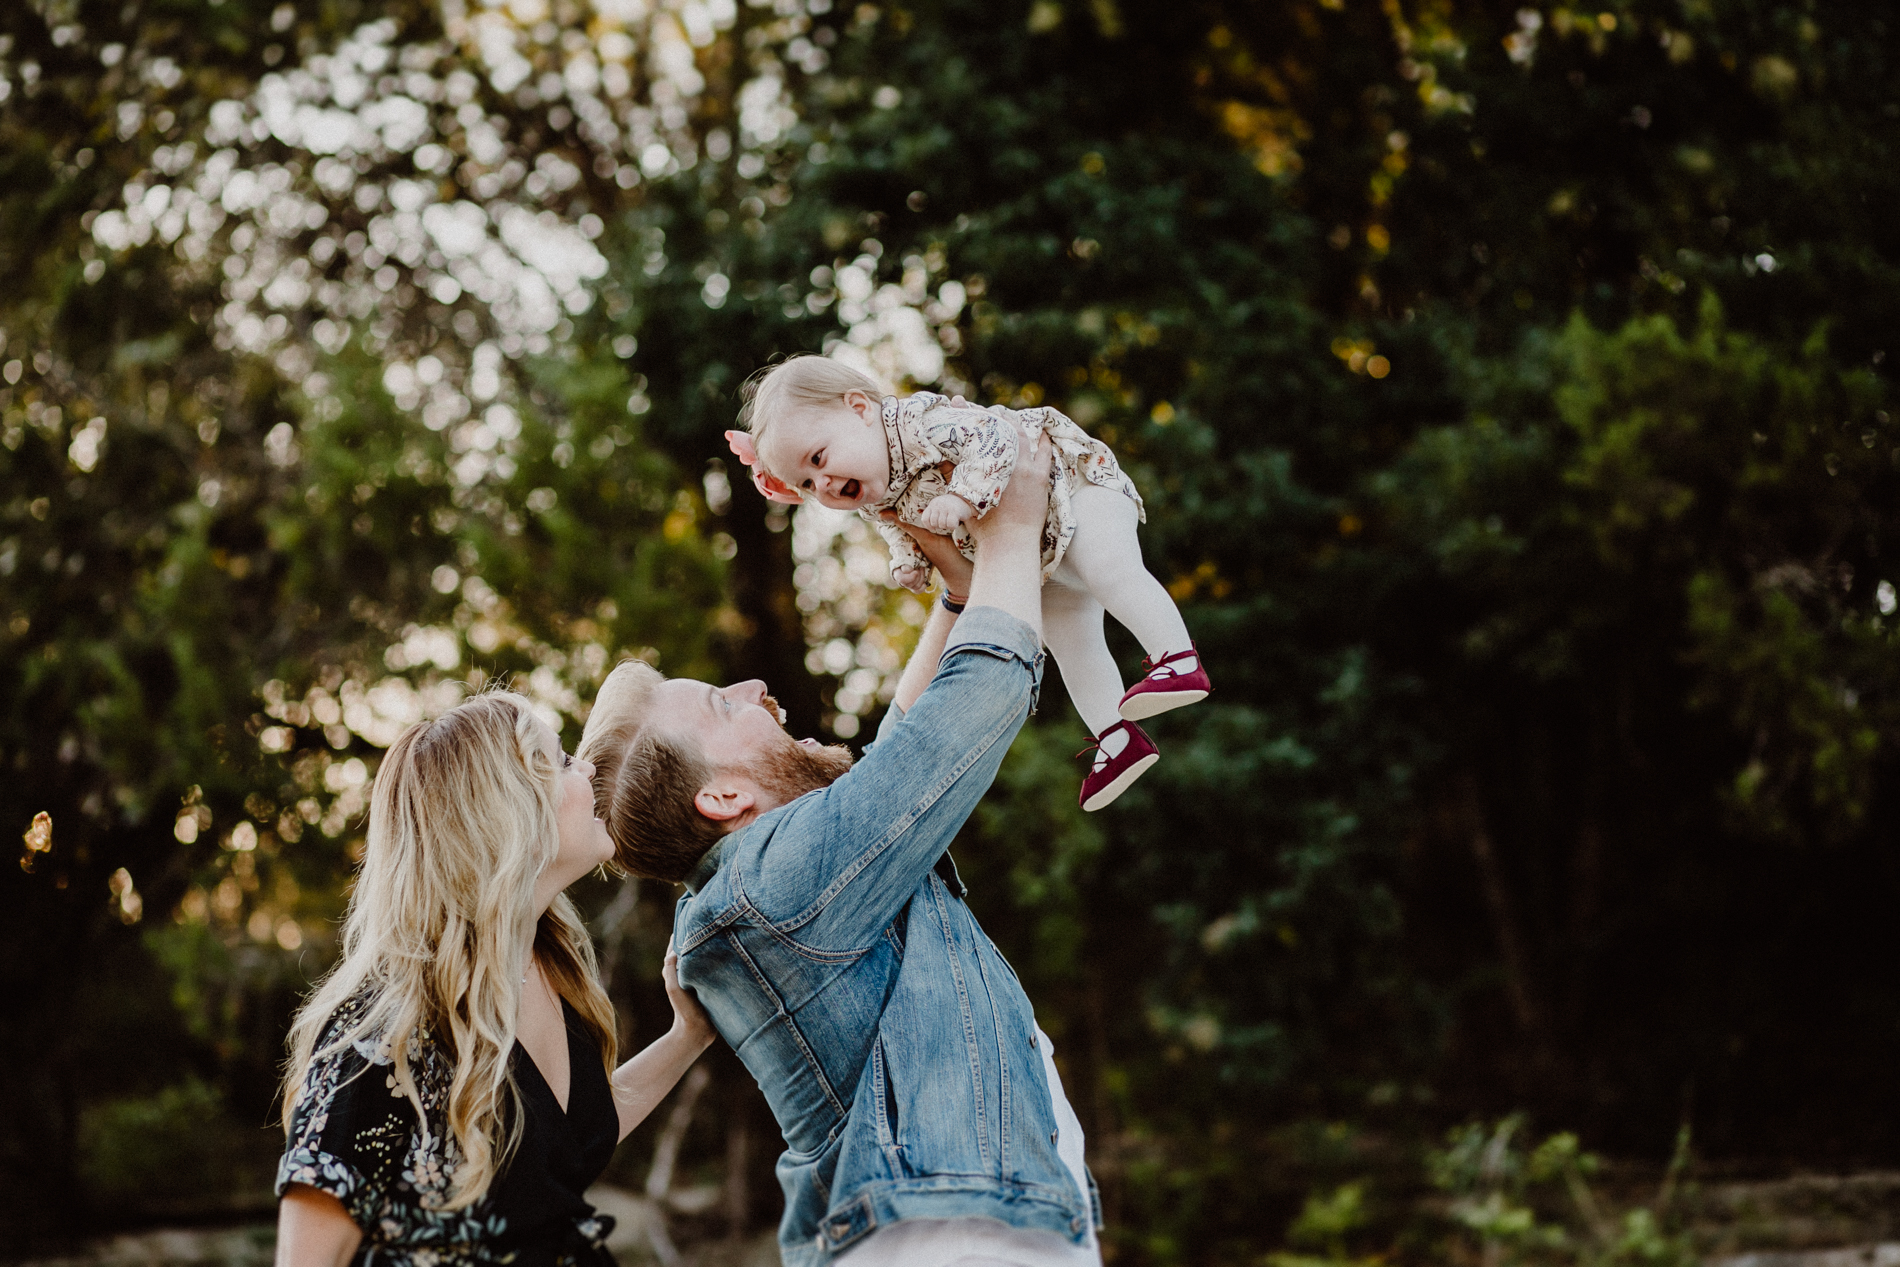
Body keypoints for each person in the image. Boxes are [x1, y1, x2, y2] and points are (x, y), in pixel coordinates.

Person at [576, 427, 1104, 1267]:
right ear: (723, 797)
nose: (755, 687)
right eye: (722, 703)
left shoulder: (767, 886)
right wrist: (1014, 518)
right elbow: (969, 711)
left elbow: (901, 752)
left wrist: (957, 595)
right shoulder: (771, 885)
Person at [272, 691, 717, 1267]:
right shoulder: (382, 1033)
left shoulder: (553, 972)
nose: (588, 767)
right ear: (507, 809)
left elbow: (566, 1137)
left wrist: (688, 1035)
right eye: (561, 761)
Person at [722, 356, 1209, 811]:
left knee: (1109, 570)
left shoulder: (918, 422)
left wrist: (962, 497)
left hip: (1077, 491)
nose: (822, 483)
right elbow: (894, 523)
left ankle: (1176, 657)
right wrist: (908, 559)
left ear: (860, 408)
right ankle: (1117, 739)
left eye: (819, 457)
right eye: (806, 484)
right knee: (1072, 643)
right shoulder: (875, 489)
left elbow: (996, 437)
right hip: (1042, 553)